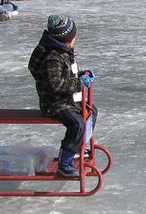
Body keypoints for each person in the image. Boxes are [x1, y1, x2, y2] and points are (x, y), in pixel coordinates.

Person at [28, 15, 97, 177]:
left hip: (65, 100)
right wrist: (80, 83)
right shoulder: (53, 56)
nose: (75, 39)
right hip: (53, 103)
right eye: (73, 37)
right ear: (65, 39)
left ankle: (77, 147)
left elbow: (65, 74)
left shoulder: (61, 51)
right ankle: (65, 163)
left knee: (91, 111)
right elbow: (55, 84)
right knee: (77, 124)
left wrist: (80, 74)